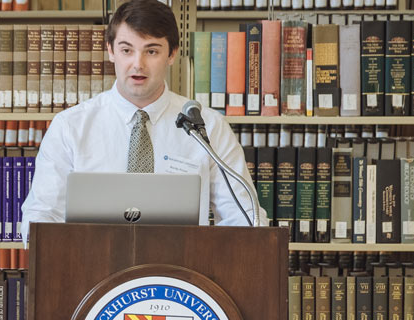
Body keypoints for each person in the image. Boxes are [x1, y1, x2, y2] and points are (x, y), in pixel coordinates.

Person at [18, 0, 262, 239]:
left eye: (152, 51)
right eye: (126, 50)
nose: (138, 64)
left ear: (172, 54)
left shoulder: (207, 127)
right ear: (111, 51)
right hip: (92, 269)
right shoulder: (70, 127)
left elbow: (246, 217)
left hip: (179, 273)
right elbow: (39, 218)